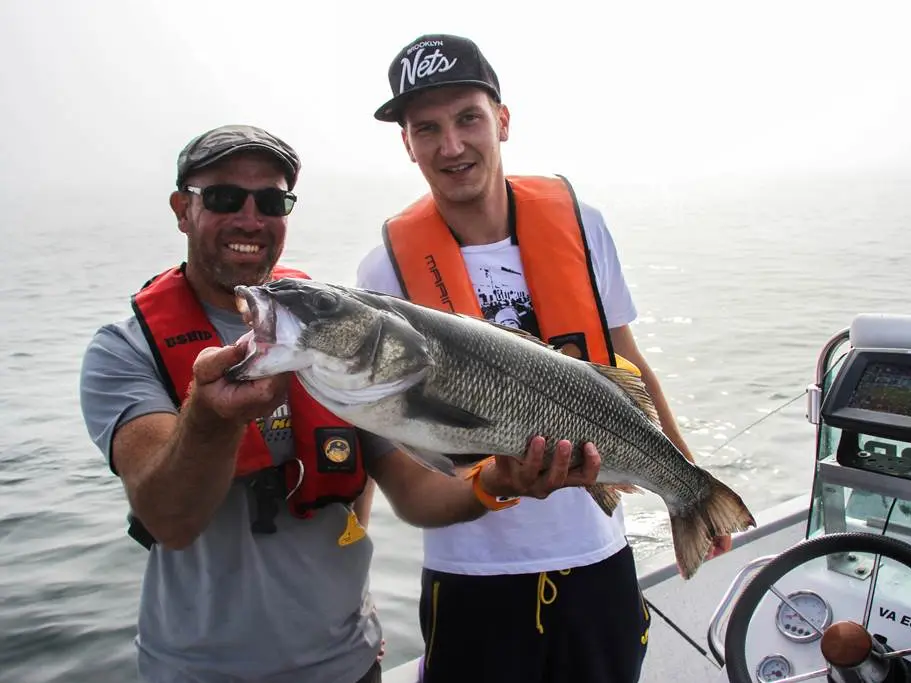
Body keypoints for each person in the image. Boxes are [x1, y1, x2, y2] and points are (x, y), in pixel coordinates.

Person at [78, 124, 602, 683]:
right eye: (225, 198)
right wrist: (209, 420)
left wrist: (498, 482)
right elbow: (169, 520)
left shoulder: (340, 335)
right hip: (196, 672)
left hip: (348, 664)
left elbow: (417, 493)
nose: (250, 219)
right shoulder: (125, 350)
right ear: (183, 209)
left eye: (272, 200)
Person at [357, 34, 733, 683]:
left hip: (595, 557)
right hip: (471, 574)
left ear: (501, 119)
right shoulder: (383, 271)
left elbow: (625, 360)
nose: (451, 145)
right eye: (427, 128)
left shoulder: (581, 225)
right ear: (407, 143)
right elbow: (386, 433)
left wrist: (688, 484)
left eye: (467, 118)